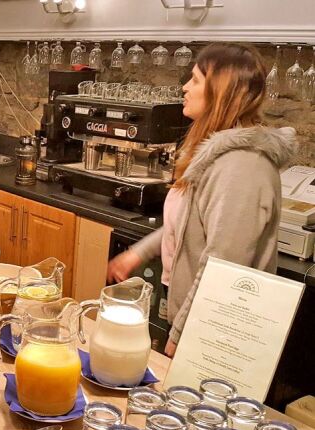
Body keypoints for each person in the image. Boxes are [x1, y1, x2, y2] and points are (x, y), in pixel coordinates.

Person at [107, 43, 296, 358]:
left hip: (217, 331)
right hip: (195, 315)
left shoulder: (242, 167)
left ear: (221, 91)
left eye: (195, 80)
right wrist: (138, 253)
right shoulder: (217, 154)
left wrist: (183, 333)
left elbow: (223, 265)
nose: (185, 87)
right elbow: (187, 226)